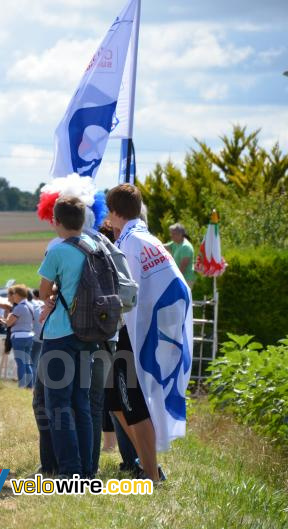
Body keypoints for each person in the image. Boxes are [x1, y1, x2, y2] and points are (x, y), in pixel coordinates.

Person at [105, 184, 192, 483]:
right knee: (114, 401)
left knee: (132, 402)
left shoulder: (129, 242)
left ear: (115, 213)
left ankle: (151, 474)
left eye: (109, 212)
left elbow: (125, 294)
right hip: (151, 326)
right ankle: (147, 462)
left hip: (138, 332)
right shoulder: (146, 237)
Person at [37, 196, 96, 478]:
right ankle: (86, 470)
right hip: (89, 333)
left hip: (60, 333)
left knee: (58, 404)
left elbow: (43, 292)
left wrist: (54, 293)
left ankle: (68, 471)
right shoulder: (95, 247)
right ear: (83, 221)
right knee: (81, 403)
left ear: (56, 221)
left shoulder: (58, 251)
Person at [0, 285, 35, 388]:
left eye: (14, 294)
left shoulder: (19, 308)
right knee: (27, 362)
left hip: (19, 337)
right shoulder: (30, 305)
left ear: (17, 294)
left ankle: (21, 385)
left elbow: (8, 323)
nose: (13, 296)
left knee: (20, 362)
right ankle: (30, 385)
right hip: (29, 335)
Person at [165, 223, 196, 288]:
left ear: (180, 234)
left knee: (181, 298)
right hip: (178, 278)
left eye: (173, 234)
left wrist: (174, 280)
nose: (171, 236)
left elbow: (183, 267)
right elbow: (162, 247)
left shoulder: (185, 247)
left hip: (185, 280)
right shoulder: (175, 243)